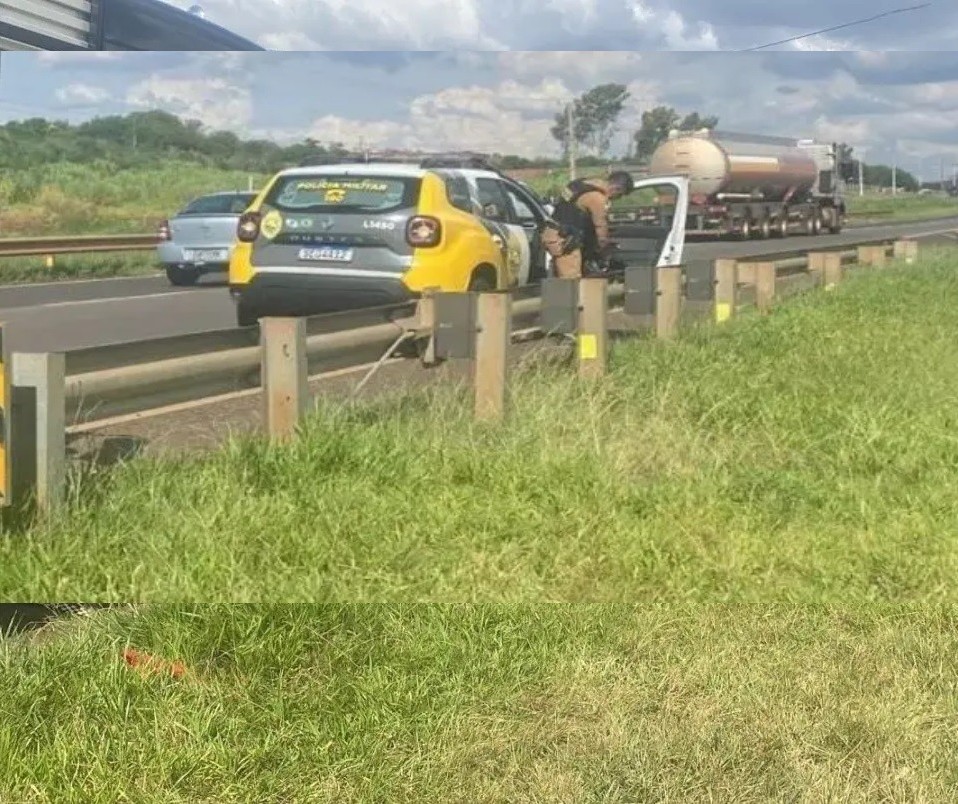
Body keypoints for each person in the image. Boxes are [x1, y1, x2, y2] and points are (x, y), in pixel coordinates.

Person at [540, 170, 635, 279]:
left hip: (553, 234)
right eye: (620, 195)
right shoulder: (597, 198)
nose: (617, 198)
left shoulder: (581, 184)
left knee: (559, 276)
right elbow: (600, 226)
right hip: (567, 241)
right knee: (571, 282)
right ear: (617, 188)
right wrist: (604, 247)